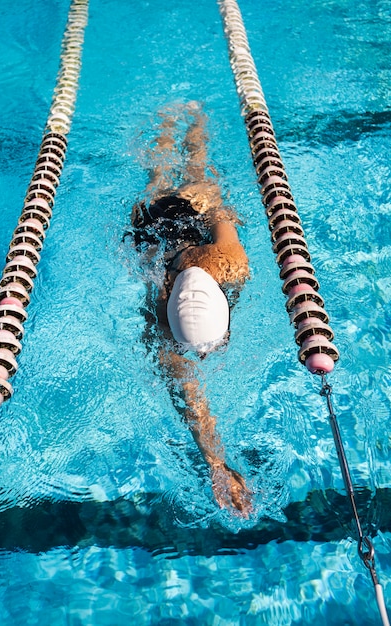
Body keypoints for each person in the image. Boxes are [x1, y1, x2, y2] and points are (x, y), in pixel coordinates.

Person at [130, 103, 252, 516]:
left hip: (175, 241)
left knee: (194, 175)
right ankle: (181, 121)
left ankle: (180, 119)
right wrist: (215, 463)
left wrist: (216, 463)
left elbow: (188, 393)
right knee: (167, 179)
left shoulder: (229, 265)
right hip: (154, 234)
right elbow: (189, 396)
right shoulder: (164, 318)